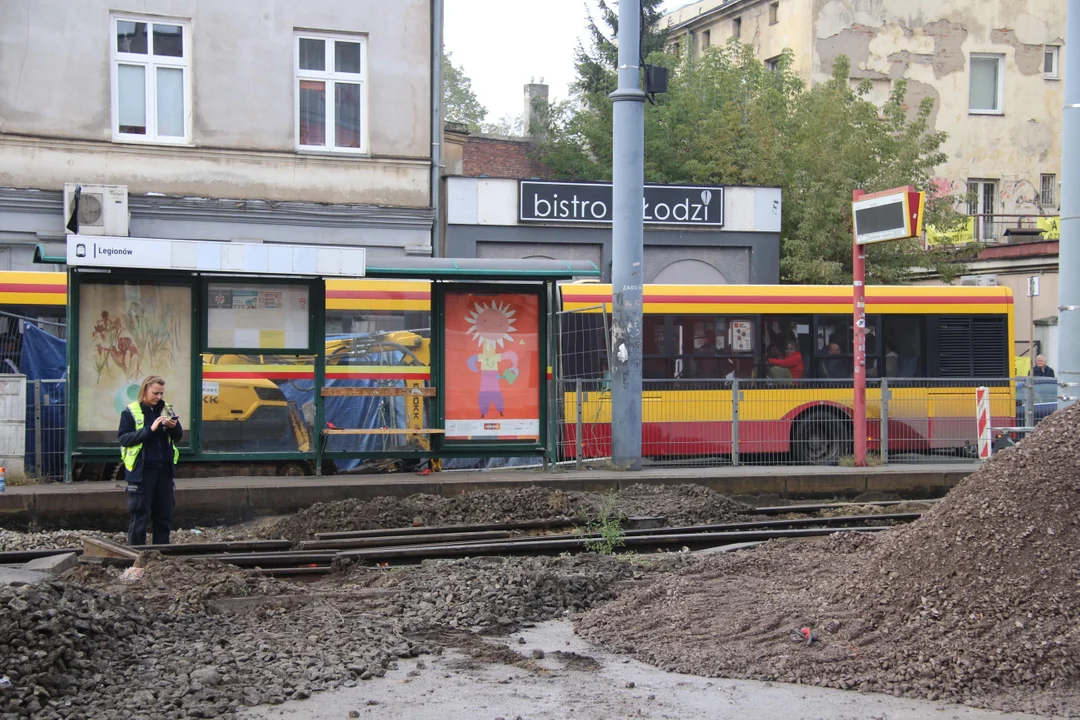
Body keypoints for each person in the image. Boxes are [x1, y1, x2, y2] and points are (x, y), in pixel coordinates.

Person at [118, 375, 182, 546]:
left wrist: (174, 427)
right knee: (140, 514)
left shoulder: (167, 409)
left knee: (164, 515)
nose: (159, 397)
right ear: (145, 390)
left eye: (161, 393)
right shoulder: (131, 411)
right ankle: (136, 554)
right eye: (155, 393)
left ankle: (160, 554)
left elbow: (178, 437)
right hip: (142, 472)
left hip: (164, 471)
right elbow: (124, 439)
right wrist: (150, 429)